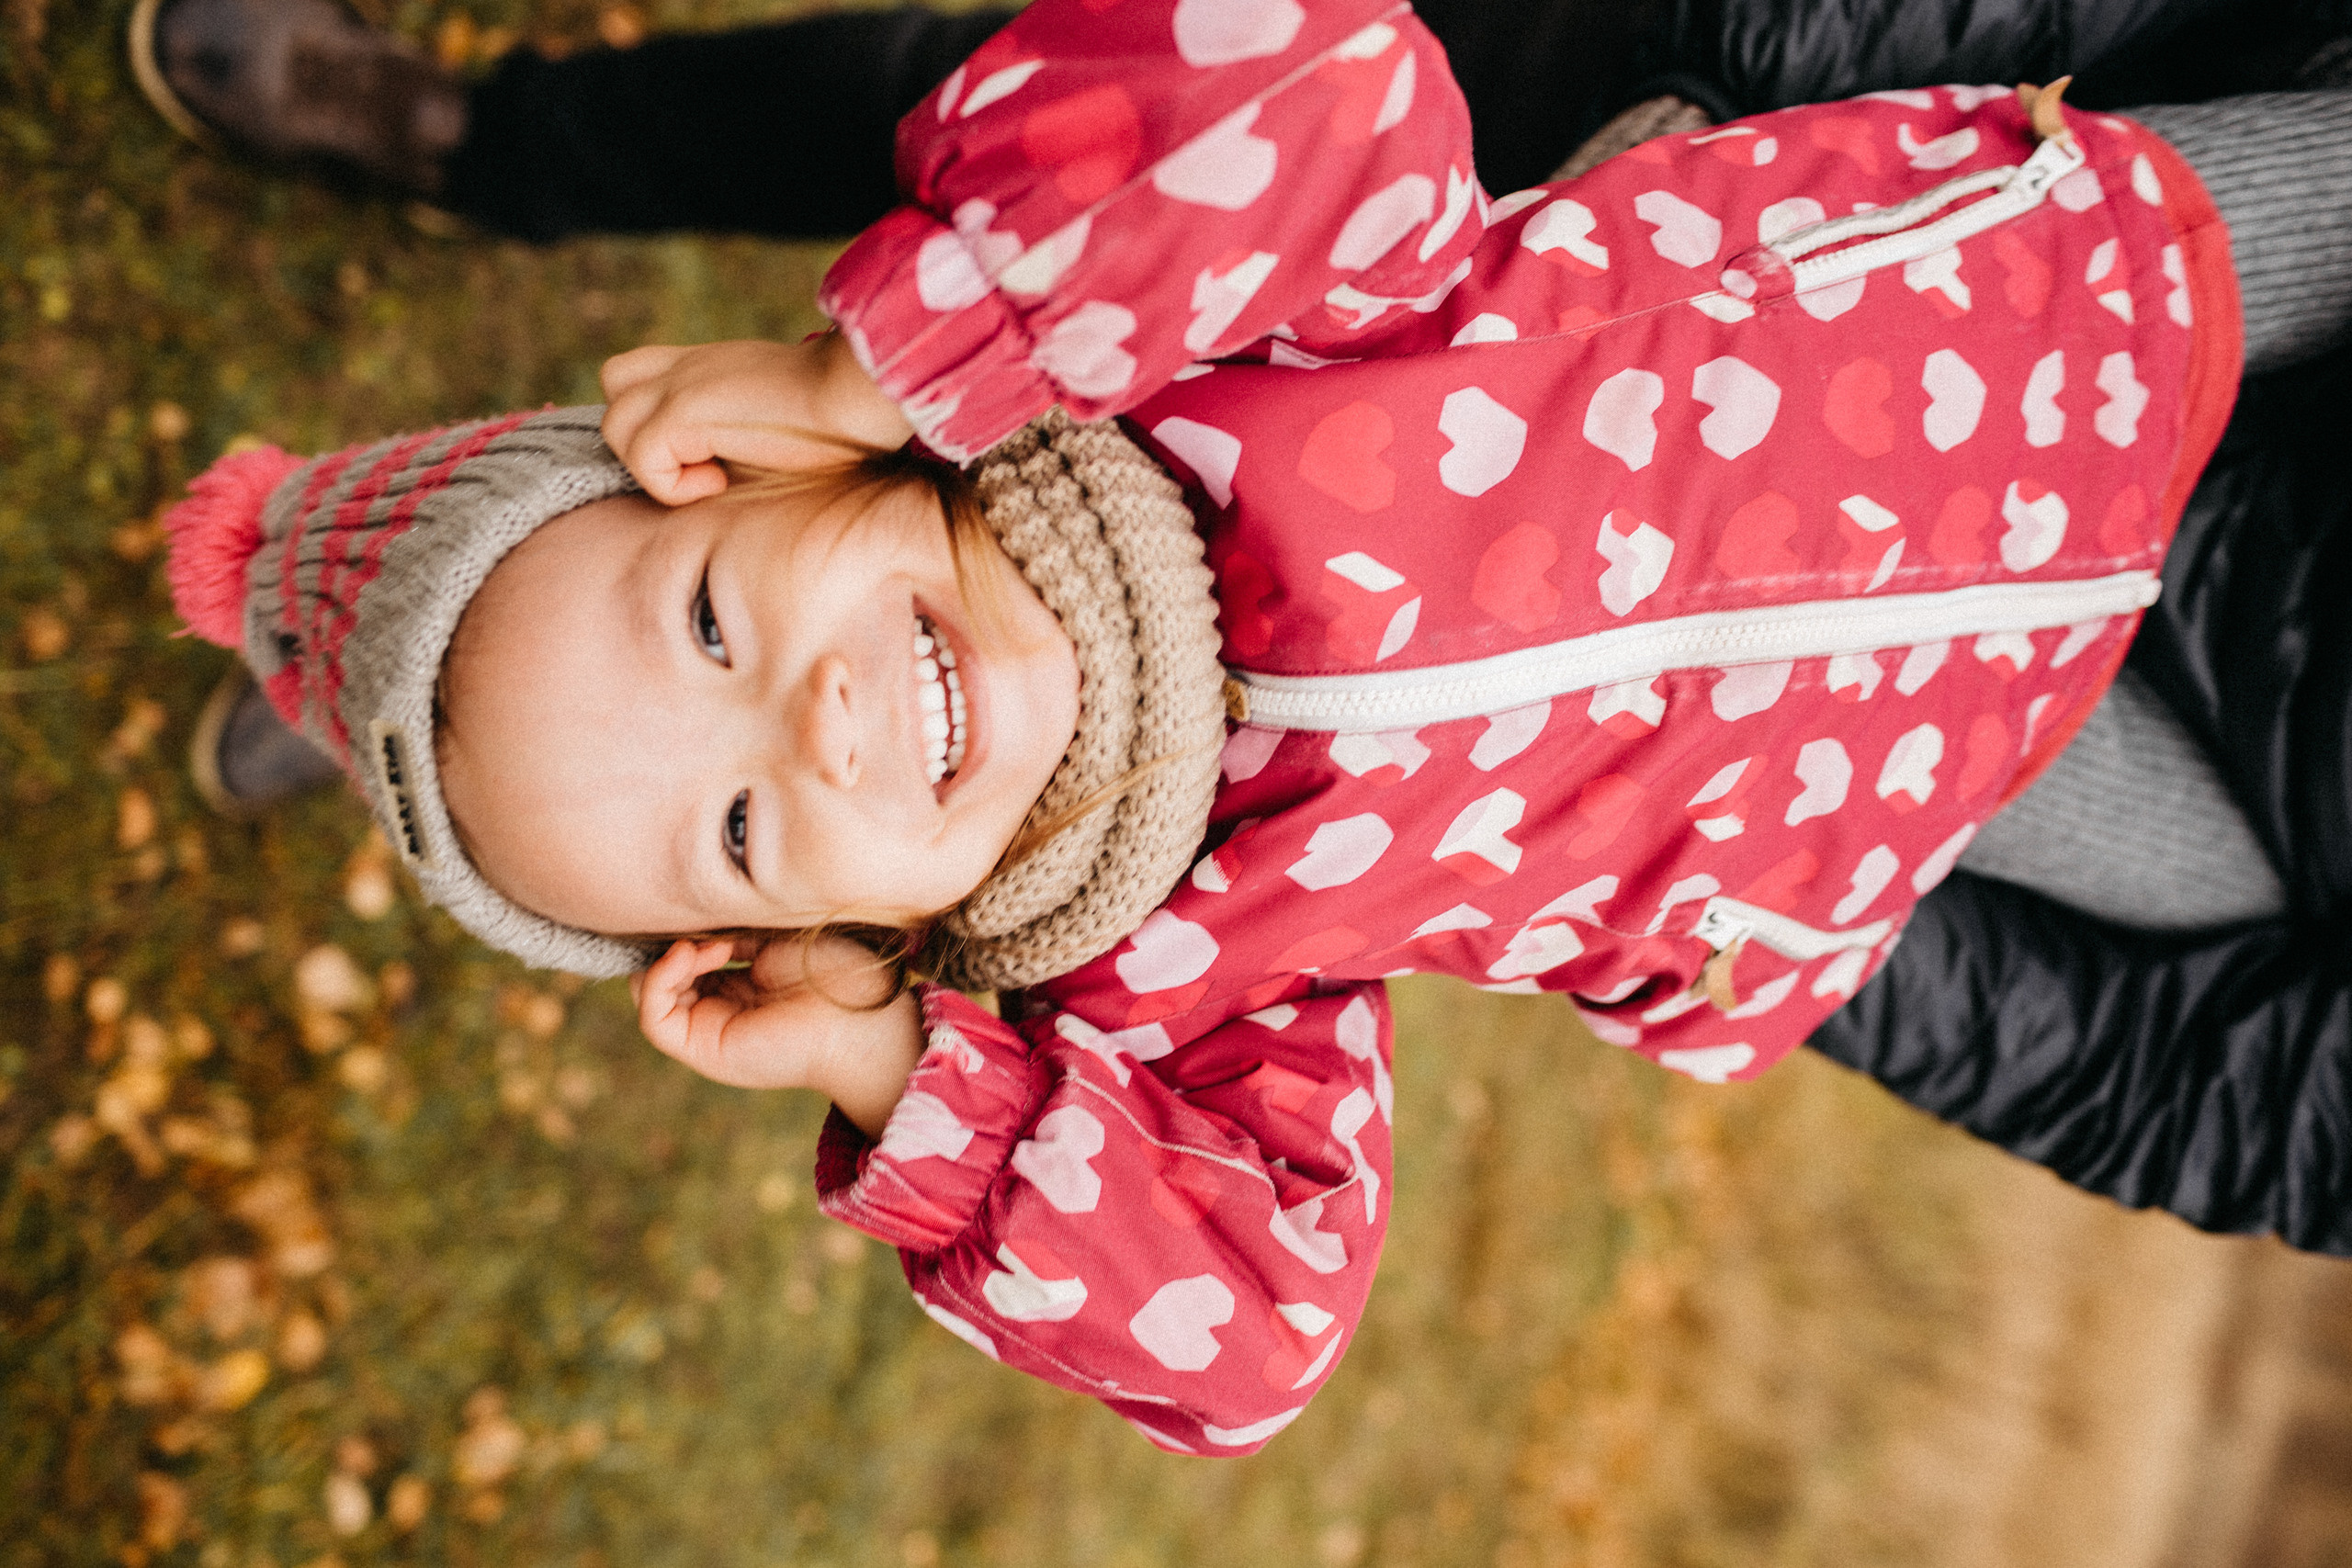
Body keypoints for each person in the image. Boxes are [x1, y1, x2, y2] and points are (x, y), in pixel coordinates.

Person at [155, 0, 2352, 1447]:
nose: (814, 732)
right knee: (2198, 854)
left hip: (2066, 312)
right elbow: (1260, 1321)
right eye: (738, 827)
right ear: (815, 925)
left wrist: (890, 352)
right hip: (1931, 780)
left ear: (741, 475)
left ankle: (436, 599)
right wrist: (894, 1068)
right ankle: (434, 734)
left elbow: (1316, 80)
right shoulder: (1161, 976)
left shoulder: (1194, 355)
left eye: (715, 623)